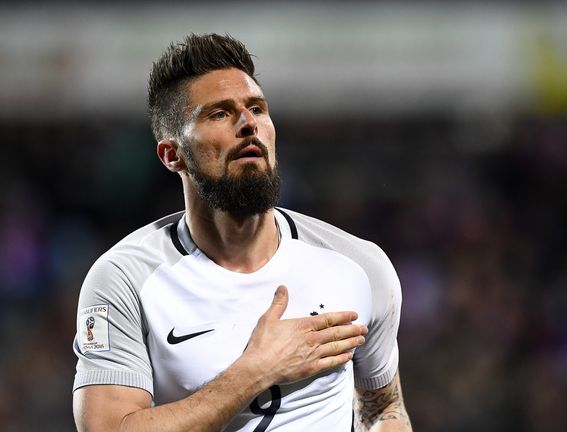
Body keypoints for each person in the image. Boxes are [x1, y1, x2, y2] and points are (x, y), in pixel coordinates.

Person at [72, 33, 412, 432]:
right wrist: (258, 369)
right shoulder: (125, 279)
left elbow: (383, 409)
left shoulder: (358, 265)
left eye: (257, 108)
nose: (248, 124)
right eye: (219, 113)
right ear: (172, 154)